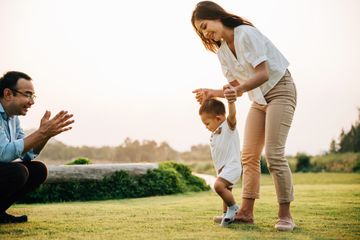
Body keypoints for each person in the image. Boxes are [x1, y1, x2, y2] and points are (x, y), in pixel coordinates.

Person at [191, 1, 297, 231]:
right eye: (202, 31)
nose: (206, 33)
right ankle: (246, 213)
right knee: (248, 155)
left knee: (274, 154)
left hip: (280, 90)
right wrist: (213, 92)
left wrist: (238, 90)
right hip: (258, 100)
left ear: (217, 16)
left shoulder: (245, 34)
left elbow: (263, 73)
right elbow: (236, 85)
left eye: (206, 25)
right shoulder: (222, 52)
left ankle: (285, 215)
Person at [0, 71, 74, 224]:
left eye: (33, 96)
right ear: (8, 94)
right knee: (17, 172)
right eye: (27, 95)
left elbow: (26, 156)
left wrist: (45, 135)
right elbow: (4, 154)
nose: (32, 102)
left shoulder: (13, 118)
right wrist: (41, 133)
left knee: (38, 170)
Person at [197, 90, 242, 227]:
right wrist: (205, 101)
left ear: (219, 118)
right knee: (226, 190)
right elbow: (208, 110)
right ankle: (226, 214)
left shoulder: (228, 126)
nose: (206, 127)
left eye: (207, 123)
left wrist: (230, 101)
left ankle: (233, 208)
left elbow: (232, 115)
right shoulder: (216, 132)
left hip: (233, 166)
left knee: (218, 186)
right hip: (224, 168)